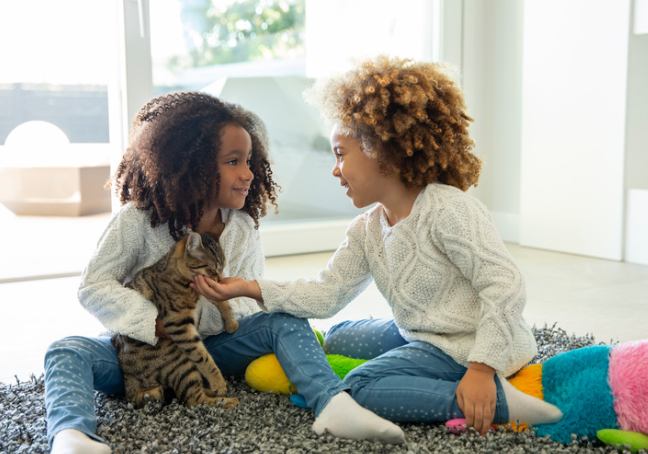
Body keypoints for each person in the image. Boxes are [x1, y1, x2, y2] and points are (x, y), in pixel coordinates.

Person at [192, 56, 564, 438]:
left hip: (468, 346)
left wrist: (482, 369)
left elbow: (505, 286)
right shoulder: (367, 228)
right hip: (421, 332)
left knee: (360, 387)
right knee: (337, 337)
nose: (334, 169)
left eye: (341, 153)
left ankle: (500, 402)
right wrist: (248, 288)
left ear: (382, 149)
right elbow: (328, 293)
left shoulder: (449, 209)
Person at [44, 91, 405, 454]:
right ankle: (72, 436)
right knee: (65, 350)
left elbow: (249, 311)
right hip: (139, 357)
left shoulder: (242, 228)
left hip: (210, 351)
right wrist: (151, 320)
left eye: (249, 161)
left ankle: (333, 405)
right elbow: (92, 286)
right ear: (192, 166)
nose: (248, 173)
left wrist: (230, 298)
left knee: (285, 319)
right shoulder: (137, 220)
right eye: (233, 161)